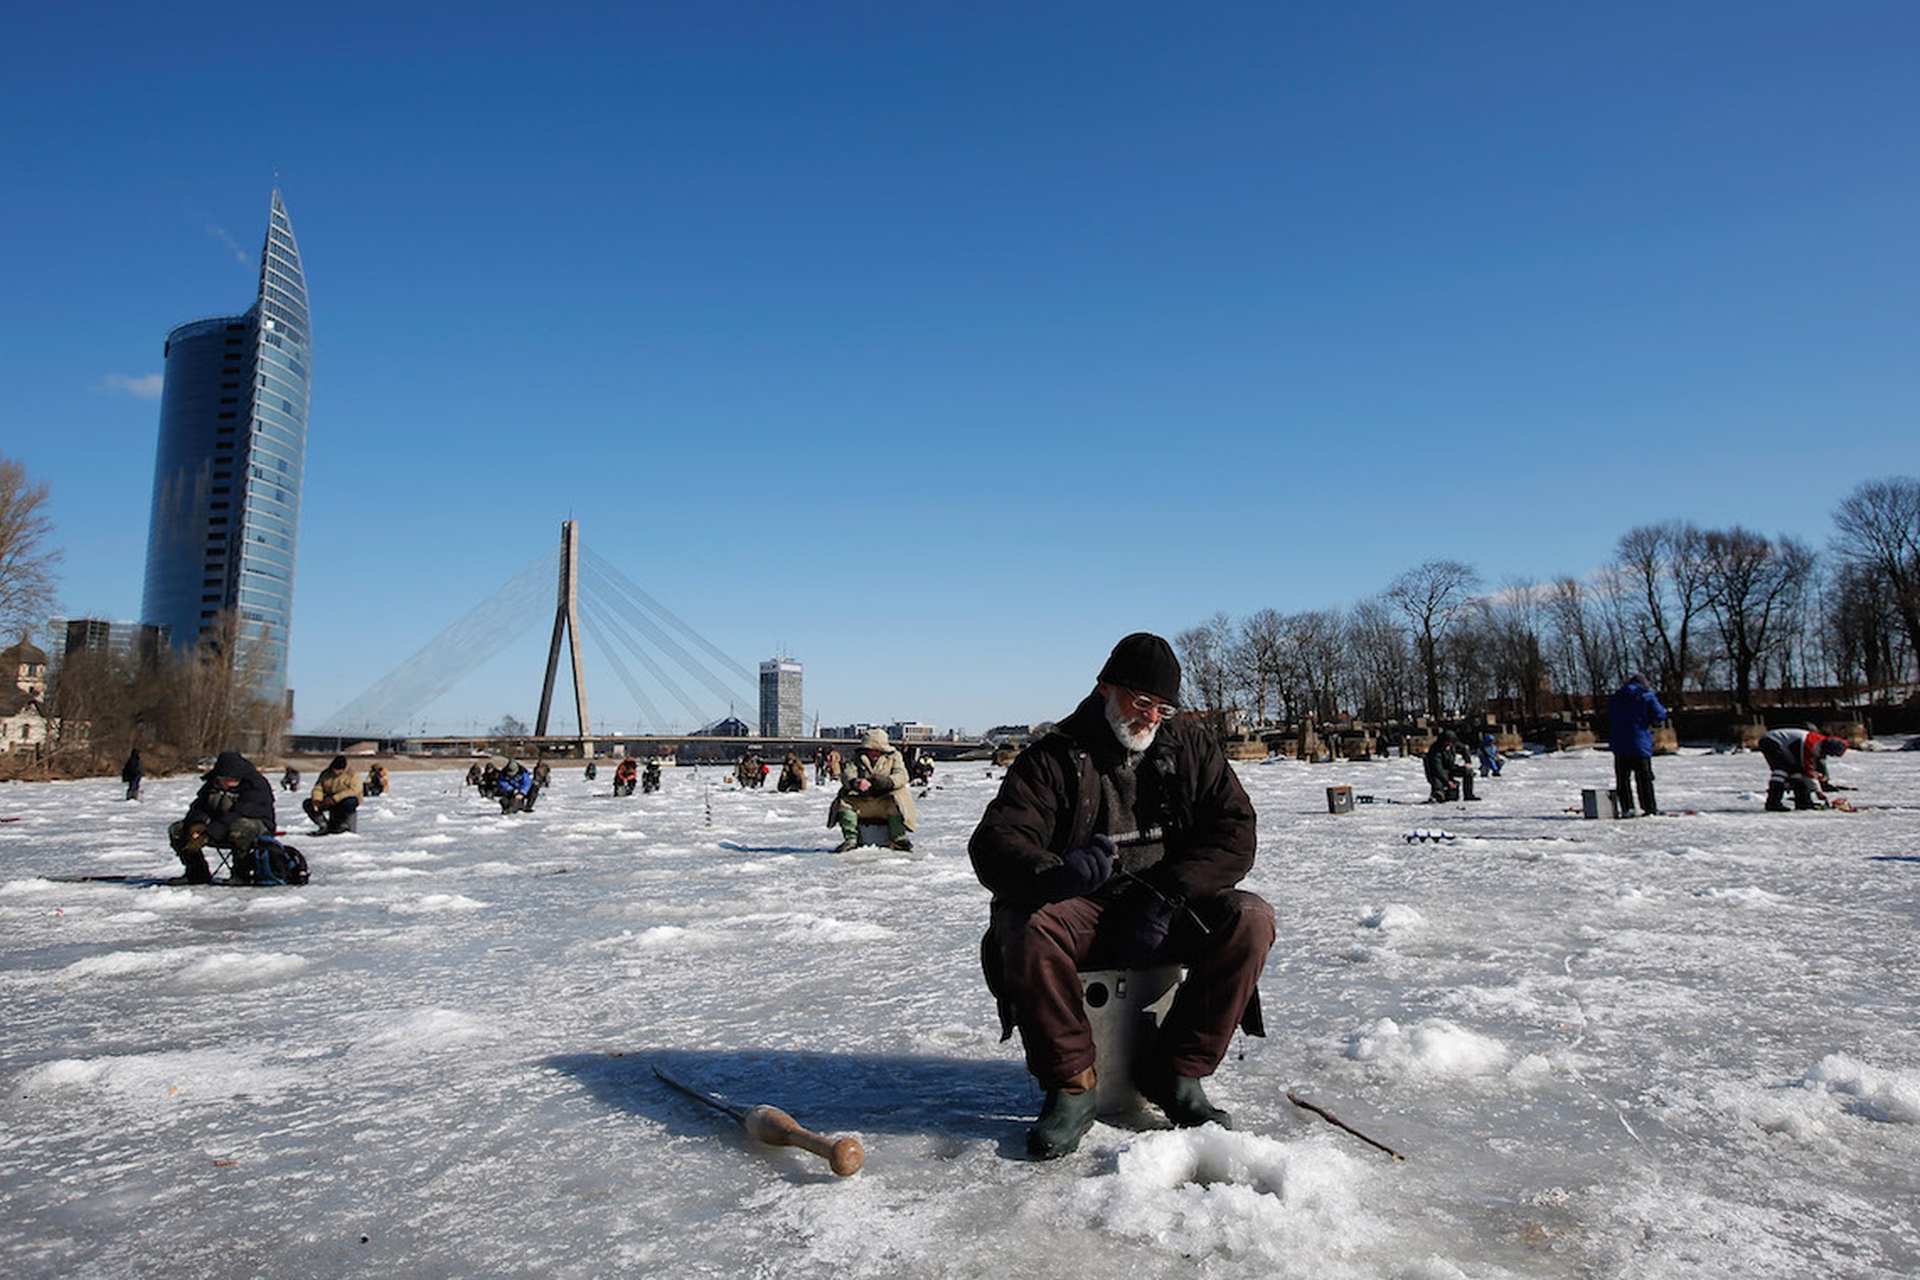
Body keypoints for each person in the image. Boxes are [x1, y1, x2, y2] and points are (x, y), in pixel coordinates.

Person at [969, 632, 1274, 1160]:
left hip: (1166, 906)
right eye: (1141, 702)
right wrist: (1056, 876)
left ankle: (1179, 1073)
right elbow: (996, 844)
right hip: (1087, 908)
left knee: (1251, 918)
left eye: (1163, 707)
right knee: (1025, 923)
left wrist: (1171, 890)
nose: (1152, 717)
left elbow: (1235, 831)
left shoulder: (1192, 747)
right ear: (1105, 687)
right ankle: (1072, 1084)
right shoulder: (1054, 757)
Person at [168, 750, 277, 884]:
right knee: (178, 829)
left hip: (255, 829)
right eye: (223, 780)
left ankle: (242, 874)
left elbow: (238, 812)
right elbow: (199, 807)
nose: (227, 784)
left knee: (239, 828)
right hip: (218, 827)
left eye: (232, 780)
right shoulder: (211, 785)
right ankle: (196, 873)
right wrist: (197, 825)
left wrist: (208, 835)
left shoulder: (256, 785)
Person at [830, 728, 917, 852]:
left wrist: (887, 782)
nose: (873, 753)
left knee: (900, 796)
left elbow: (902, 775)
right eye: (870, 749)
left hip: (885, 802)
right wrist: (855, 782)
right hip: (863, 802)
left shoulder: (894, 756)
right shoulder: (858, 757)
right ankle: (851, 839)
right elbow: (847, 774)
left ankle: (898, 837)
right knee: (844, 801)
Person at [1607, 672, 1667, 817]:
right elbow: (1659, 714)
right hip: (1639, 742)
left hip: (1619, 743)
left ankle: (1627, 808)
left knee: (1623, 779)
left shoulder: (1616, 697)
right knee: (1644, 778)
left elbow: (1610, 716)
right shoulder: (1646, 695)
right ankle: (1649, 808)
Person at [1757, 727, 1849, 811]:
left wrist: (1817, 779)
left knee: (1796, 772)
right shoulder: (1811, 744)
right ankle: (1773, 802)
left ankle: (1803, 802)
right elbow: (1807, 769)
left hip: (1782, 744)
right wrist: (1818, 791)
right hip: (1772, 741)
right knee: (1781, 770)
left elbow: (1806, 769)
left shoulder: (1818, 742)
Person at [303, 755, 363, 834]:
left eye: (339, 770)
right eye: (335, 770)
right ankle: (324, 825)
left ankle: (344, 826)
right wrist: (317, 800)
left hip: (345, 799)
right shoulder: (326, 774)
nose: (336, 772)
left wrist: (335, 798)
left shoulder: (353, 775)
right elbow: (318, 788)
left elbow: (354, 790)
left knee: (349, 802)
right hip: (329, 798)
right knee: (308, 803)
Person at [1424, 730, 1477, 802]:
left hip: (1450, 767)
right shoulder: (1435, 750)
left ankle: (1468, 794)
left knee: (1468, 771)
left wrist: (1468, 761)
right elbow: (1438, 769)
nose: (1449, 744)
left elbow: (1464, 749)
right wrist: (1448, 781)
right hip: (1437, 772)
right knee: (1438, 783)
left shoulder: (1453, 744)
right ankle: (1438, 794)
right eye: (1448, 742)